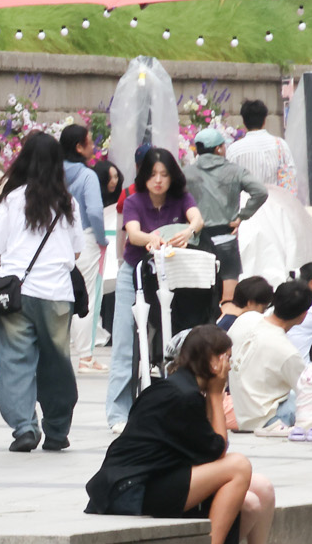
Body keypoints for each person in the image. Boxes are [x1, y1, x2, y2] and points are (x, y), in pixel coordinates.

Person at [85, 325, 278, 544]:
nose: (230, 367)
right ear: (212, 361)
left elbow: (206, 450)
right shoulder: (183, 396)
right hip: (132, 490)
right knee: (239, 466)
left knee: (259, 489)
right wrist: (216, 394)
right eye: (227, 358)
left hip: (146, 481)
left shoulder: (178, 389)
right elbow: (217, 449)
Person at [0, 131, 92, 454]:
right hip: (57, 295)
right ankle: (57, 430)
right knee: (56, 362)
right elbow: (75, 253)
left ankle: (24, 427)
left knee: (15, 361)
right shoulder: (66, 202)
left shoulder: (13, 200)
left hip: (17, 294)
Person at [110, 148, 205, 430]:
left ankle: (172, 406)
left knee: (172, 340)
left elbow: (197, 219)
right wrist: (151, 238)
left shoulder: (181, 198)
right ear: (144, 176)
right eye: (152, 175)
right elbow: (134, 232)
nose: (159, 181)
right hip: (136, 273)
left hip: (171, 275)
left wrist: (189, 231)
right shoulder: (134, 199)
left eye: (164, 174)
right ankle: (118, 414)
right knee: (126, 342)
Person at [183, 126, 268, 306]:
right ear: (218, 149)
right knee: (228, 300)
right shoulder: (235, 171)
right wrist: (242, 215)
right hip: (225, 237)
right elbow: (260, 192)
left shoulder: (186, 173)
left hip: (196, 240)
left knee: (200, 299)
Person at [226, 278, 308, 432]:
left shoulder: (244, 319)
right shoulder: (288, 352)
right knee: (309, 392)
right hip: (267, 420)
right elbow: (307, 391)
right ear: (303, 315)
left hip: (240, 414)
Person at [59, 124, 107, 365]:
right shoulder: (87, 175)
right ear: (79, 147)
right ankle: (86, 356)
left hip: (56, 239)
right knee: (86, 296)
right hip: (85, 238)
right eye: (89, 142)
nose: (93, 146)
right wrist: (102, 239)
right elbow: (96, 212)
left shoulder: (54, 172)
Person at [79, 160, 123, 372]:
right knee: (91, 297)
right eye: (110, 177)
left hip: (106, 249)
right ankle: (85, 354)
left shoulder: (119, 200)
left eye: (116, 177)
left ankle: (86, 352)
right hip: (97, 247)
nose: (113, 181)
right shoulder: (93, 198)